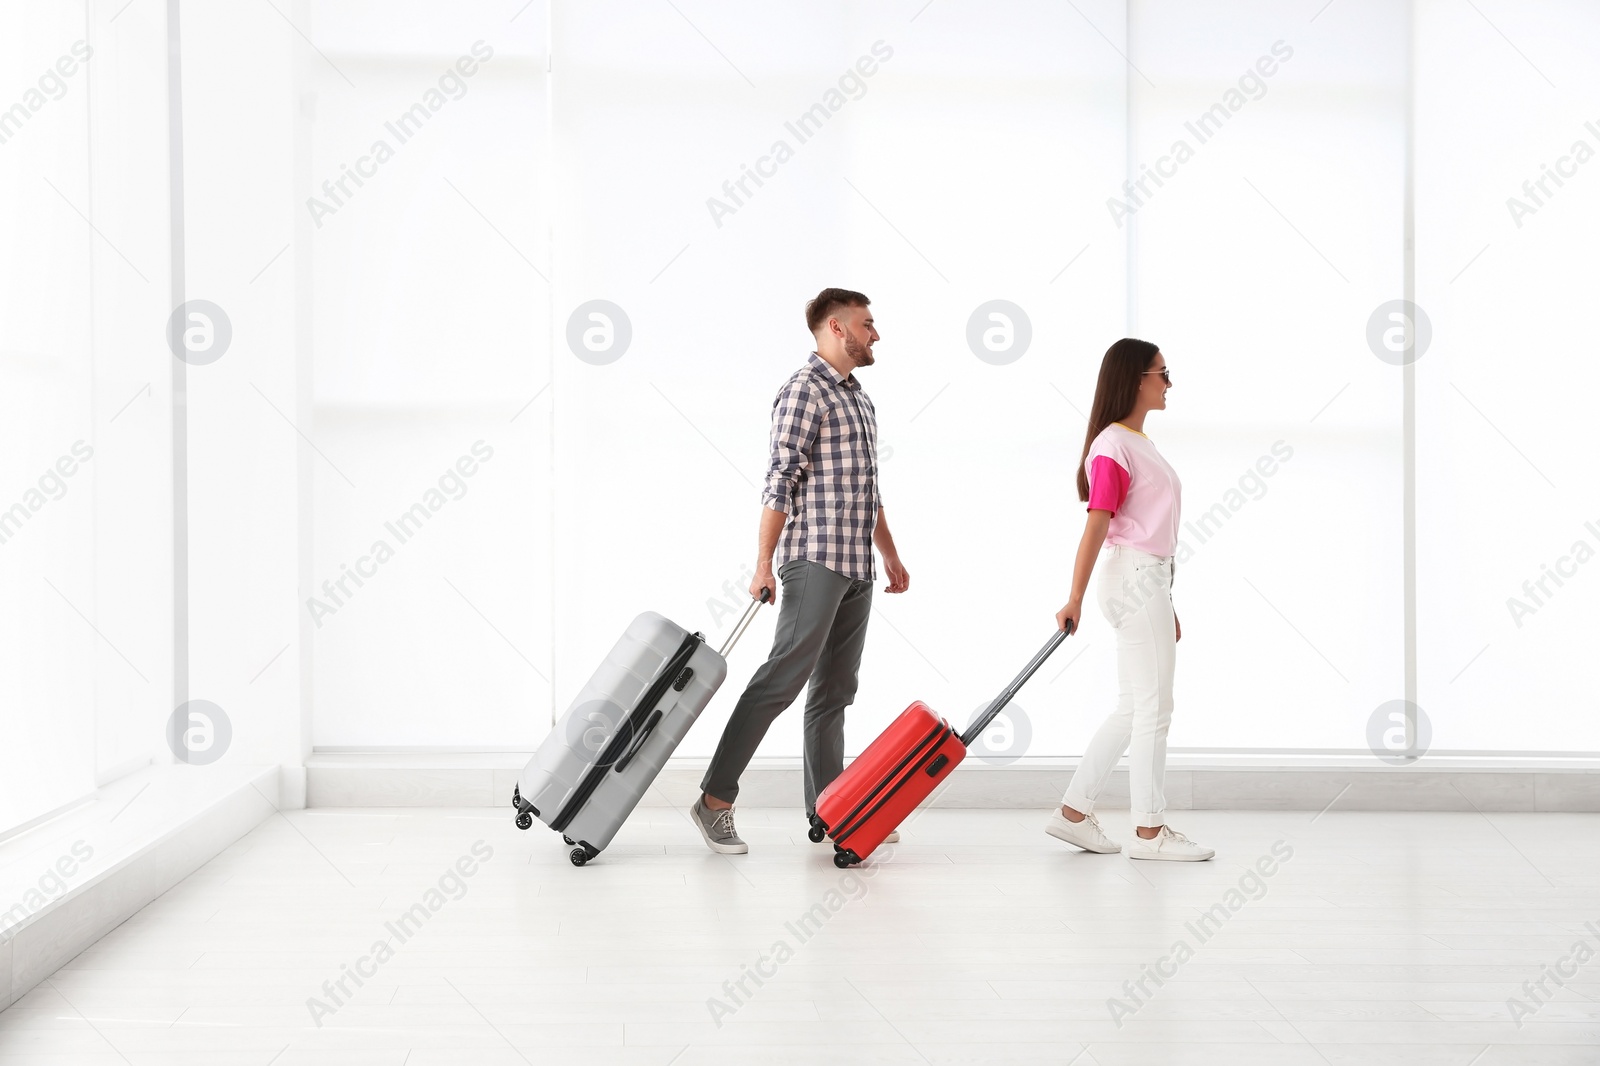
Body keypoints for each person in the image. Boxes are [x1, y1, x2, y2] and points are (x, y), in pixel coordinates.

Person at [690, 288, 910, 854]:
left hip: (856, 561)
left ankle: (830, 811)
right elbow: (779, 479)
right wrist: (762, 563)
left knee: (835, 691)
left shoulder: (860, 399)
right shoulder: (802, 391)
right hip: (814, 558)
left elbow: (868, 488)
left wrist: (888, 553)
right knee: (780, 679)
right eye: (868, 324)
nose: (876, 334)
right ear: (837, 328)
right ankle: (714, 800)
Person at [1046, 339, 1213, 861]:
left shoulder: (1136, 442)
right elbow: (1098, 524)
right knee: (1155, 710)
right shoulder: (1113, 445)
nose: (1169, 383)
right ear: (1136, 378)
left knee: (1132, 707)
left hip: (1145, 580)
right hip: (1134, 577)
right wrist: (1072, 596)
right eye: (1163, 373)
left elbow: (1144, 528)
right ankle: (1149, 832)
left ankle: (1074, 813)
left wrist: (1167, 598)